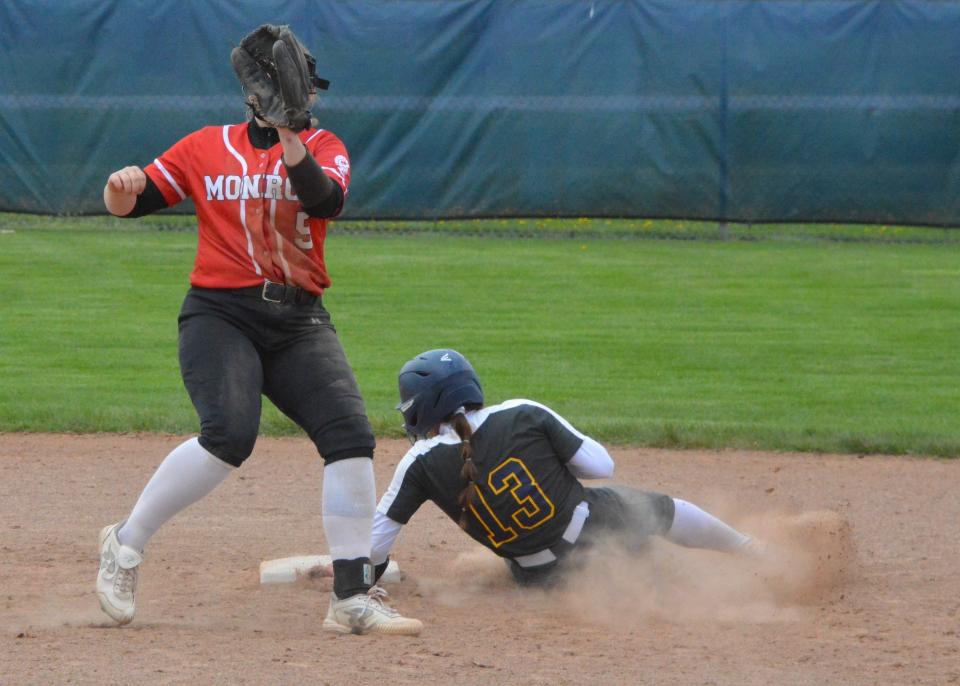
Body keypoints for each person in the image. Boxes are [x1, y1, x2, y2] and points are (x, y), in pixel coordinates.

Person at [96, 24, 421, 636]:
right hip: (220, 313)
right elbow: (132, 203)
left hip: (298, 319)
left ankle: (350, 598)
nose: (309, 99)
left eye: (310, 91)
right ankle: (124, 544)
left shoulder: (325, 145)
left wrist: (293, 131)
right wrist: (120, 188)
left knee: (349, 434)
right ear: (254, 92)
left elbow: (323, 201)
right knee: (228, 435)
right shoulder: (205, 145)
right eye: (296, 88)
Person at [371, 349, 763, 588]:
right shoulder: (520, 412)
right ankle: (749, 551)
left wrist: (365, 578)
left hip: (539, 580)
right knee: (661, 509)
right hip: (596, 531)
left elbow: (372, 549)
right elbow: (602, 465)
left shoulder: (417, 464)